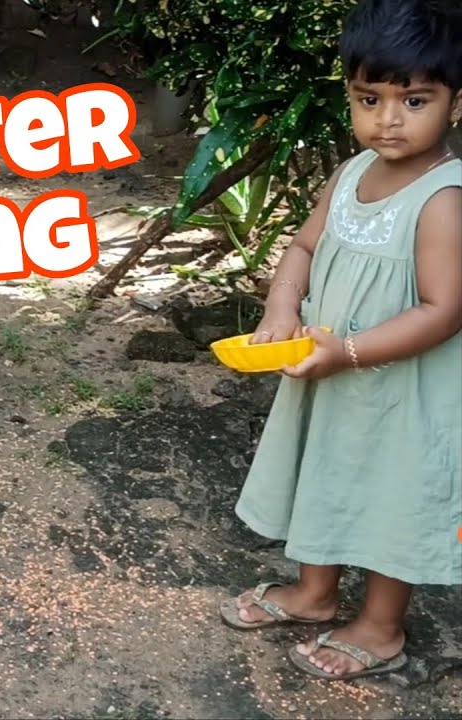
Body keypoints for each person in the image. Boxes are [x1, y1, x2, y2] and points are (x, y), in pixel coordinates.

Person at [217, 0, 462, 681]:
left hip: (402, 389)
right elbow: (301, 245)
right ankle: (315, 595)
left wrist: (346, 353)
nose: (388, 119)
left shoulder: (445, 199)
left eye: (414, 99)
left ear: (456, 104)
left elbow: (445, 311)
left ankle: (381, 627)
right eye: (368, 98)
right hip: (329, 369)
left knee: (393, 494)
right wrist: (281, 307)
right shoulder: (350, 176)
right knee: (322, 467)